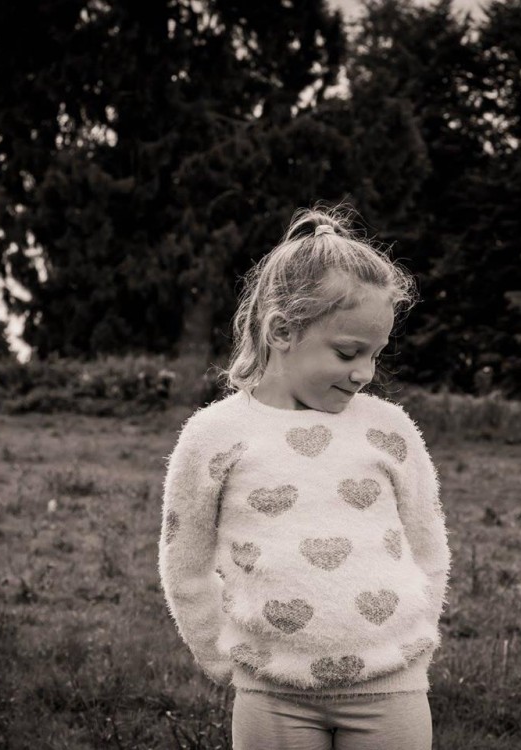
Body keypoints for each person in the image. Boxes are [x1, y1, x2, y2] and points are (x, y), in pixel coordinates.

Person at [158, 205, 451, 750]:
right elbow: (185, 560)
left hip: (392, 690)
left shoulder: (390, 430)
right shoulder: (214, 435)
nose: (364, 373)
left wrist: (417, 637)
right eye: (347, 352)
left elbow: (428, 546)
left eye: (375, 354)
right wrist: (218, 653)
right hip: (273, 694)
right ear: (282, 329)